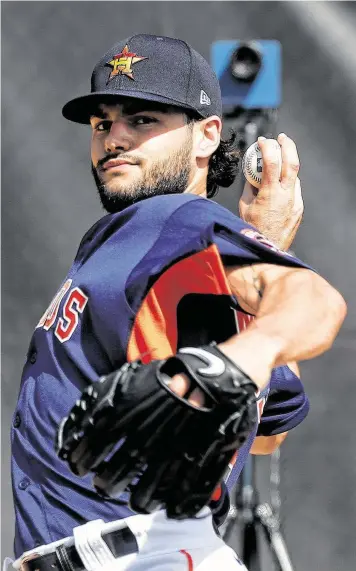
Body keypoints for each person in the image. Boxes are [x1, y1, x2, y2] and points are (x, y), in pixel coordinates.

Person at [10, 34, 346, 571]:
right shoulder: (181, 263)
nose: (114, 138)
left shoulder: (173, 220)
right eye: (102, 124)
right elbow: (265, 437)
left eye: (142, 120)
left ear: (206, 136)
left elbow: (316, 301)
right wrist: (268, 254)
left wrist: (245, 354)